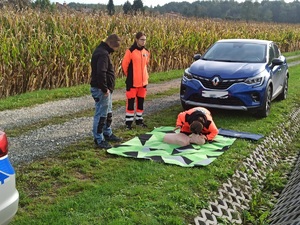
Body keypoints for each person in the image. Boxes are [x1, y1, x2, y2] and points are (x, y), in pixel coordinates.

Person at [90, 34, 122, 149]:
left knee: (108, 112)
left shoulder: (103, 51)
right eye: (116, 47)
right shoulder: (103, 54)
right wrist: (104, 88)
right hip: (101, 90)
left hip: (105, 89)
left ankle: (107, 133)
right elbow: (101, 72)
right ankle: (99, 139)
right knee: (101, 115)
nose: (116, 50)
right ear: (111, 44)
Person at [122, 32, 150, 130]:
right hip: (132, 82)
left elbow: (146, 64)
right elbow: (124, 65)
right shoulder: (130, 51)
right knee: (130, 102)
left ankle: (139, 120)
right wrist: (130, 76)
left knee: (141, 102)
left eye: (145, 40)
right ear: (137, 40)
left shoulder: (146, 51)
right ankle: (128, 123)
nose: (143, 42)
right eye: (142, 39)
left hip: (143, 82)